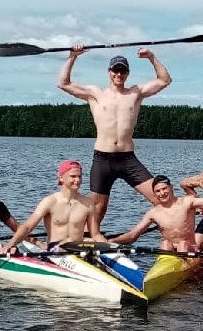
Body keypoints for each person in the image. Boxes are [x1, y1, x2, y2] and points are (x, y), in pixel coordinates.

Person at [58, 45, 173, 232]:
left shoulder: (135, 93)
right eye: (115, 70)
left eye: (122, 70)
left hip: (128, 159)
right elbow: (63, 83)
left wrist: (152, 57)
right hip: (103, 159)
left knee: (159, 198)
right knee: (98, 209)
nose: (118, 74)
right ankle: (86, 242)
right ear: (109, 72)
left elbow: (165, 80)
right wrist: (73, 57)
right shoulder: (96, 94)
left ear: (127, 73)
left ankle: (172, 238)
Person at [0, 159, 105, 255]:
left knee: (92, 241)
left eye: (79, 176)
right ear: (61, 177)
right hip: (56, 249)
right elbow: (28, 227)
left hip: (78, 247)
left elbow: (95, 234)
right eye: (73, 176)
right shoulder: (49, 201)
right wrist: (10, 244)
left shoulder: (88, 203)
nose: (77, 180)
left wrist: (109, 246)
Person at [109, 174, 203, 253]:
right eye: (158, 191)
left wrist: (201, 185)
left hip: (189, 249)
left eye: (164, 189)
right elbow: (133, 235)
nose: (162, 193)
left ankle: (186, 271)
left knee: (182, 244)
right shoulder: (153, 213)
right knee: (165, 244)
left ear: (171, 188)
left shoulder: (187, 202)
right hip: (170, 252)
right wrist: (110, 241)